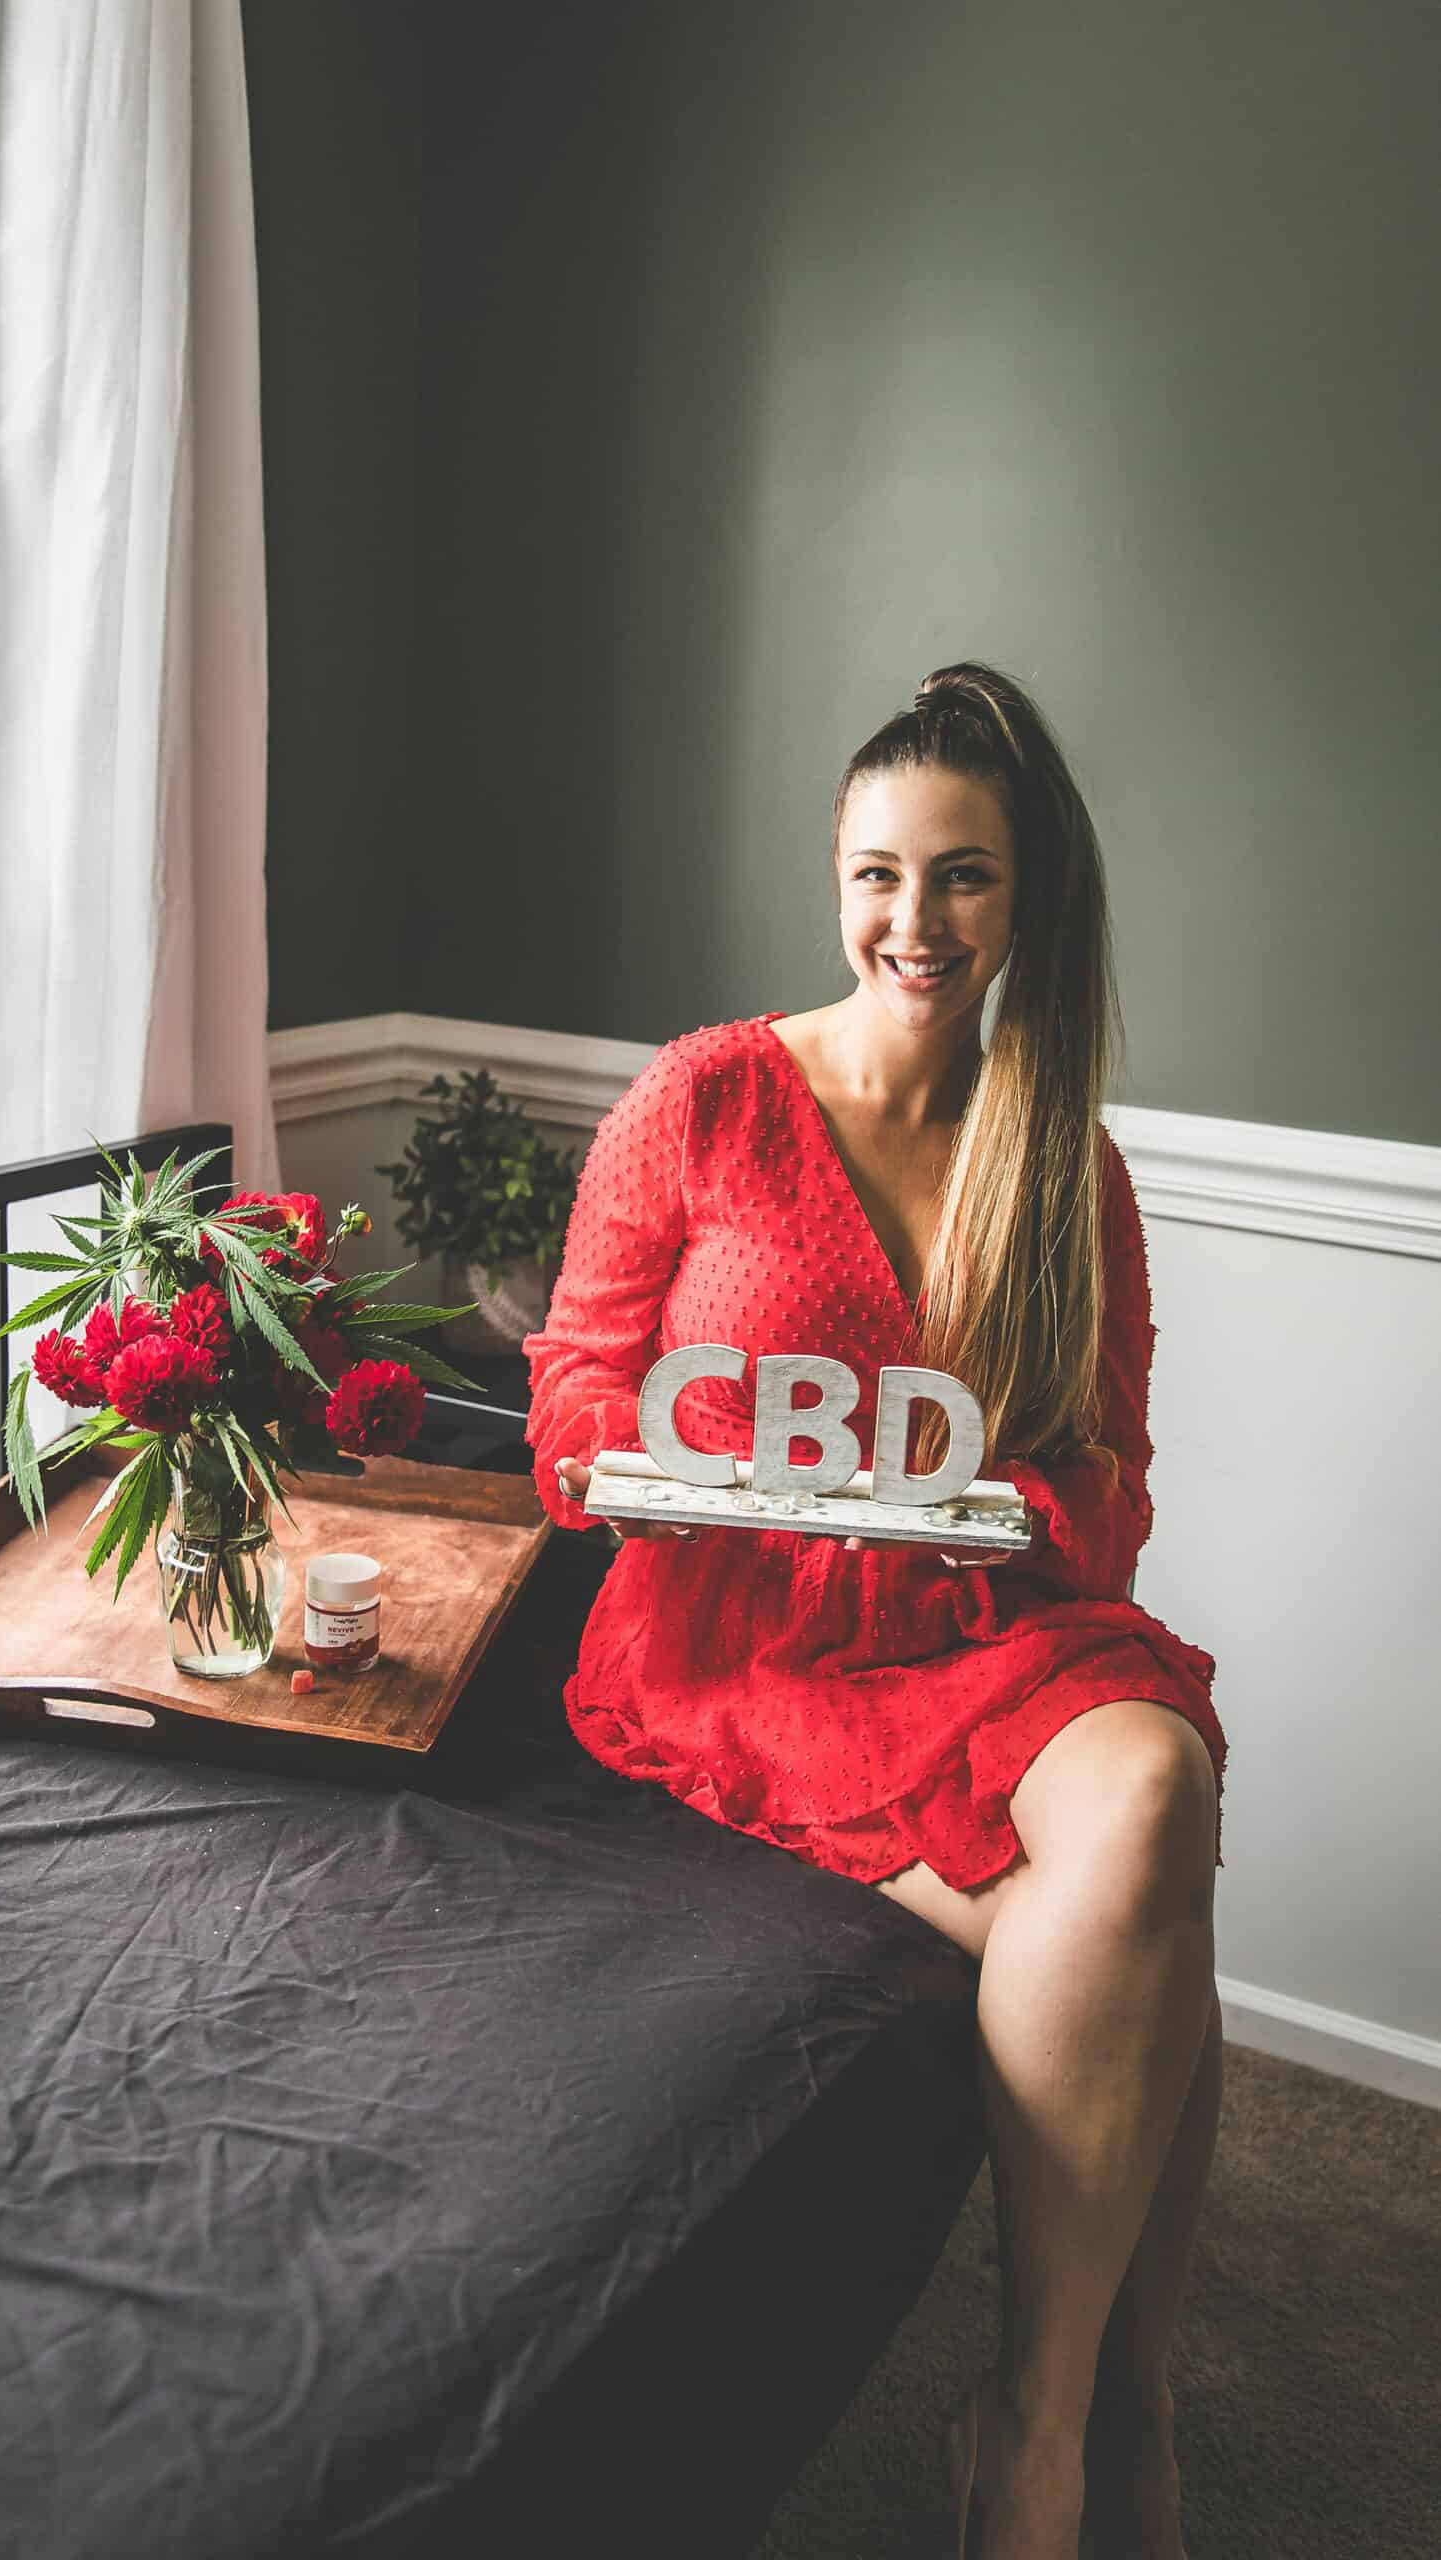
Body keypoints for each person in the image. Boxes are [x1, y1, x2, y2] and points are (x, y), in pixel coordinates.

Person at [523, 661, 1227, 2560]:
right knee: (1152, 1933)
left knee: (1151, 1787)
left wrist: (988, 1516)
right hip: (736, 1639)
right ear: (838, 881)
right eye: (878, 874)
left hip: (975, 1633)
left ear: (1030, 901)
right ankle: (1096, 2428)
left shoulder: (1062, 1159)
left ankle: (1042, 2405)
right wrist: (637, 1468)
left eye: (965, 878)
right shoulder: (709, 1098)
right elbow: (579, 1378)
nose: (914, 923)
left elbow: (1111, 1479)